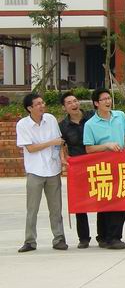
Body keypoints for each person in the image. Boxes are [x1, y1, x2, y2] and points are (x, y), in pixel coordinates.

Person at [83, 88, 125, 249]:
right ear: (96, 103)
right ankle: (104, 236)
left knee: (121, 201)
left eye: (108, 98)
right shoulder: (90, 124)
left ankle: (114, 237)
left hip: (121, 165)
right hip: (102, 167)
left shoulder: (120, 116)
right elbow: (89, 148)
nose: (107, 101)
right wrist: (106, 146)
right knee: (105, 202)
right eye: (103, 99)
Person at [16, 93, 67, 253]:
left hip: (53, 169)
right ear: (29, 108)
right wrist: (51, 142)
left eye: (42, 103)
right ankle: (30, 241)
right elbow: (30, 148)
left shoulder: (50, 119)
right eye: (38, 104)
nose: (42, 106)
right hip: (35, 171)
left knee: (56, 208)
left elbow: (59, 142)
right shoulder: (23, 125)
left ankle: (59, 238)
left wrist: (62, 158)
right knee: (32, 209)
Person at [58, 92, 95, 248]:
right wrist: (64, 157)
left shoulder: (92, 116)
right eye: (69, 103)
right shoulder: (63, 126)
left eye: (75, 101)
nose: (74, 104)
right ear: (64, 107)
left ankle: (104, 235)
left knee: (103, 198)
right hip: (78, 167)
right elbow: (61, 144)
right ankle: (84, 238)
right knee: (81, 202)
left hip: (97, 163)